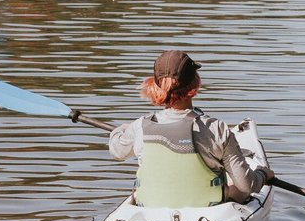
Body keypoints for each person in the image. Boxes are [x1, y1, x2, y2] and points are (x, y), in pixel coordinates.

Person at [108, 49, 271, 208]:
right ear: (195, 84)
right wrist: (263, 174)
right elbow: (247, 186)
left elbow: (117, 151)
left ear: (157, 84)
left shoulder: (140, 126)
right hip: (207, 212)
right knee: (237, 190)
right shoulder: (216, 129)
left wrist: (123, 129)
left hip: (152, 209)